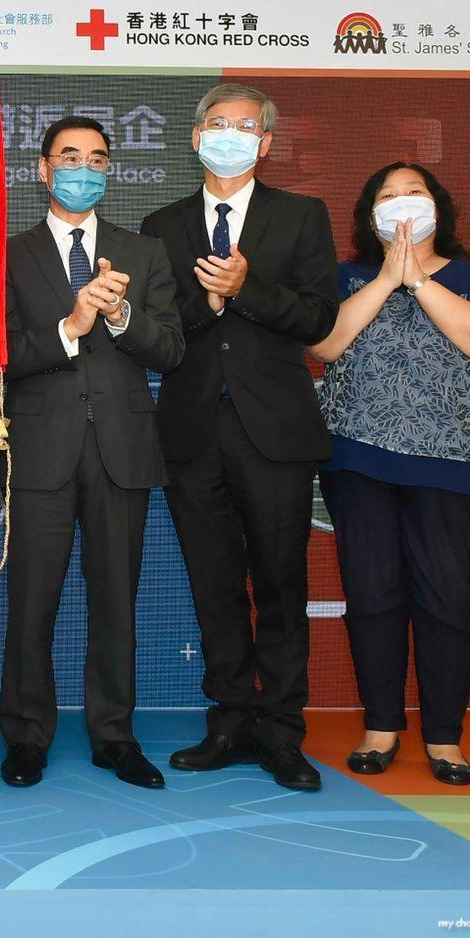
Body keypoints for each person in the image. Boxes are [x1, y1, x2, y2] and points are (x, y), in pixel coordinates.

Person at [141, 82, 338, 792]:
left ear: (266, 143)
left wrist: (247, 287)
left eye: (246, 126)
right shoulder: (162, 225)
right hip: (192, 430)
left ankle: (282, 731)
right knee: (215, 585)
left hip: (275, 430)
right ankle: (228, 721)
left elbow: (318, 319)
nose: (230, 134)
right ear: (196, 138)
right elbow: (159, 330)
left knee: (280, 583)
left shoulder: (301, 215)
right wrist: (210, 299)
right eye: (217, 123)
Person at [310, 163, 470, 786]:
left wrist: (418, 279)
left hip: (451, 463)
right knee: (372, 595)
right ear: (369, 215)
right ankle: (381, 727)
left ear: (438, 207)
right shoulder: (345, 278)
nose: (402, 203)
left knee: (445, 600)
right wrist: (385, 279)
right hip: (358, 460)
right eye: (388, 196)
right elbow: (326, 344)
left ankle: (445, 736)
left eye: (414, 193)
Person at [0, 118, 185, 791]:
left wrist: (120, 318)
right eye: (70, 157)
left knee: (116, 602)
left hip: (121, 449)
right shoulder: (8, 255)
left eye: (98, 159)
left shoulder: (144, 252)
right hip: (39, 449)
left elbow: (172, 349)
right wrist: (70, 327)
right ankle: (26, 736)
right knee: (32, 602)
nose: (84, 169)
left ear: (110, 172)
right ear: (43, 169)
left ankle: (114, 737)